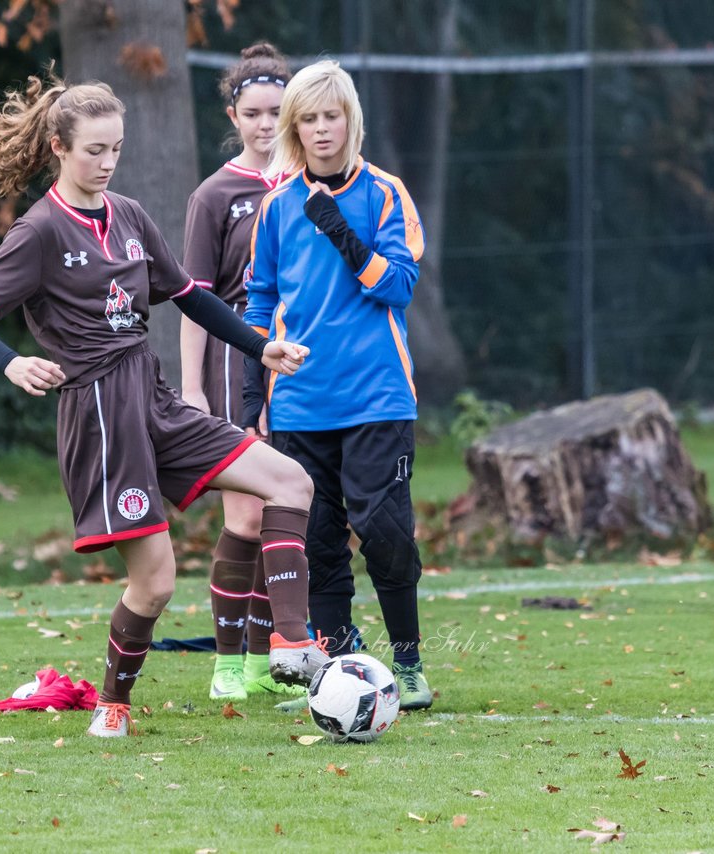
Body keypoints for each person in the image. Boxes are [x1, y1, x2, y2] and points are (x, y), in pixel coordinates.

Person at [0, 68, 330, 738]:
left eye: (115, 149)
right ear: (59, 148)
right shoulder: (39, 233)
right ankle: (112, 704)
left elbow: (188, 294)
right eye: (94, 150)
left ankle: (291, 646)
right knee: (154, 584)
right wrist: (11, 363)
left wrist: (260, 344)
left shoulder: (129, 215)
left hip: (151, 395)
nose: (107, 162)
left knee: (289, 480)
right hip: (100, 414)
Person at [243, 59, 433, 710]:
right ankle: (340, 670)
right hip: (299, 404)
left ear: (351, 121)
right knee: (318, 543)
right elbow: (259, 303)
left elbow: (399, 286)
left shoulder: (385, 193)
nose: (322, 129)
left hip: (378, 398)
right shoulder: (275, 206)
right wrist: (250, 396)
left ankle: (407, 663)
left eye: (333, 116)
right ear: (294, 129)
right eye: (309, 119)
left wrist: (341, 232)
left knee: (383, 531)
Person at [179, 42, 307, 705]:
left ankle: (277, 655)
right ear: (234, 114)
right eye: (253, 112)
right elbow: (193, 302)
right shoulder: (215, 194)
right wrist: (195, 388)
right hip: (240, 360)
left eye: (277, 112)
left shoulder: (314, 182)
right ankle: (231, 661)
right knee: (249, 513)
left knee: (297, 505)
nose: (265, 124)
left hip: (308, 359)